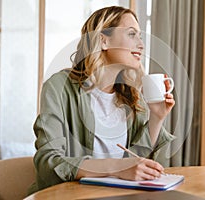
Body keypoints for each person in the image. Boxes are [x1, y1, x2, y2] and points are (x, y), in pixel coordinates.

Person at [28, 6, 175, 194]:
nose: (141, 44)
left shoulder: (131, 96)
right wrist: (117, 167)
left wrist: (157, 117)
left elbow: (134, 160)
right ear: (103, 40)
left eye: (140, 36)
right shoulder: (59, 87)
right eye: (132, 34)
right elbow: (49, 162)